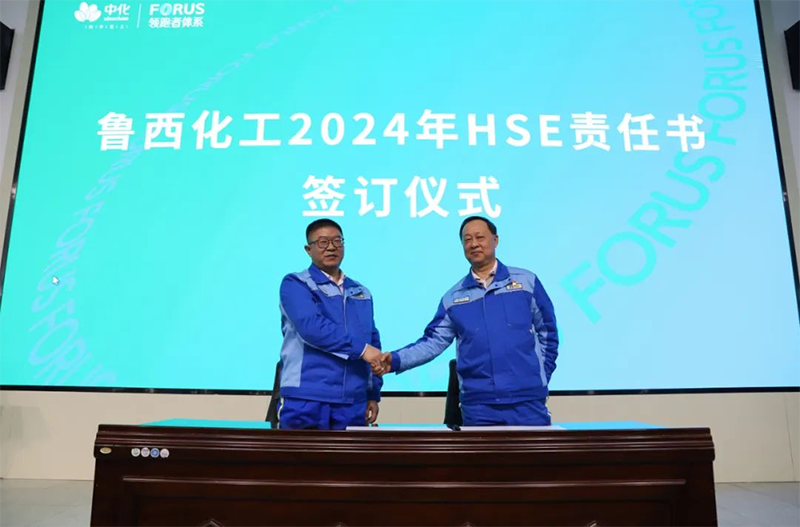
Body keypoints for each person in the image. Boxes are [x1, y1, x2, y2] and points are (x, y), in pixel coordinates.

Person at [377, 216, 559, 426]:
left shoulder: (526, 282)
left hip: (527, 402)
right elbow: (431, 343)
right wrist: (396, 360)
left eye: (480, 237)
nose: (474, 244)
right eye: (467, 239)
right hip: (479, 407)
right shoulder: (453, 298)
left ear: (495, 240)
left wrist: (539, 377)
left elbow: (548, 332)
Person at [277, 218, 384, 429]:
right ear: (308, 249)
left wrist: (372, 392)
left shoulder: (361, 291)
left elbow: (372, 339)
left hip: (353, 399)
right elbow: (311, 327)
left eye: (337, 241)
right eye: (323, 242)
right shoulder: (296, 284)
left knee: (351, 453)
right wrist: (362, 350)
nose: (331, 247)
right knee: (299, 452)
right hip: (307, 396)